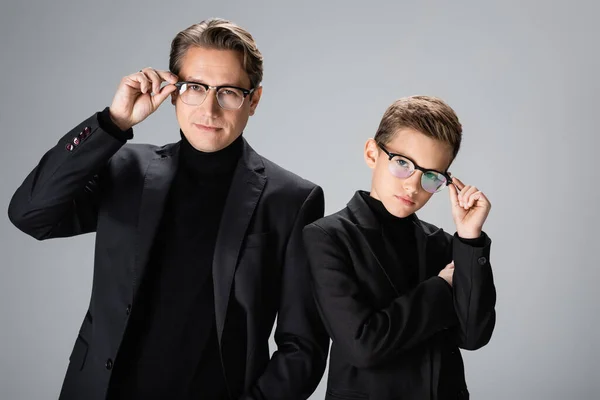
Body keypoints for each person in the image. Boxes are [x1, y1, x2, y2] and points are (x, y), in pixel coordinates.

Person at [8, 18, 328, 400]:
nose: (209, 109)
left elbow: (303, 345)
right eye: (195, 87)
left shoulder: (291, 199)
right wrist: (114, 123)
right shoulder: (125, 169)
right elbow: (30, 214)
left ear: (253, 100)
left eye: (228, 92)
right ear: (173, 92)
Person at [302, 96, 496, 400]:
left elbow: (473, 335)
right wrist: (441, 288)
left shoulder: (443, 243)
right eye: (403, 164)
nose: (413, 186)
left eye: (431, 176)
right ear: (372, 153)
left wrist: (469, 239)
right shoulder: (328, 237)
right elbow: (363, 345)